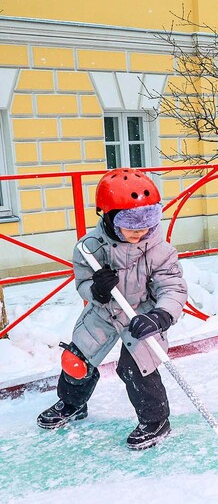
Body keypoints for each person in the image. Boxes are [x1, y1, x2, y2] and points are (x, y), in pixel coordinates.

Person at [36, 168, 188, 450]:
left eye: (147, 221)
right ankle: (72, 403)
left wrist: (161, 316)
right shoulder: (89, 248)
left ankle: (155, 421)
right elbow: (81, 282)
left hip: (142, 314)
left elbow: (173, 287)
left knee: (137, 367)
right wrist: (97, 291)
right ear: (107, 216)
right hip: (104, 312)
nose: (140, 231)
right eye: (130, 223)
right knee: (76, 361)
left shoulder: (160, 250)